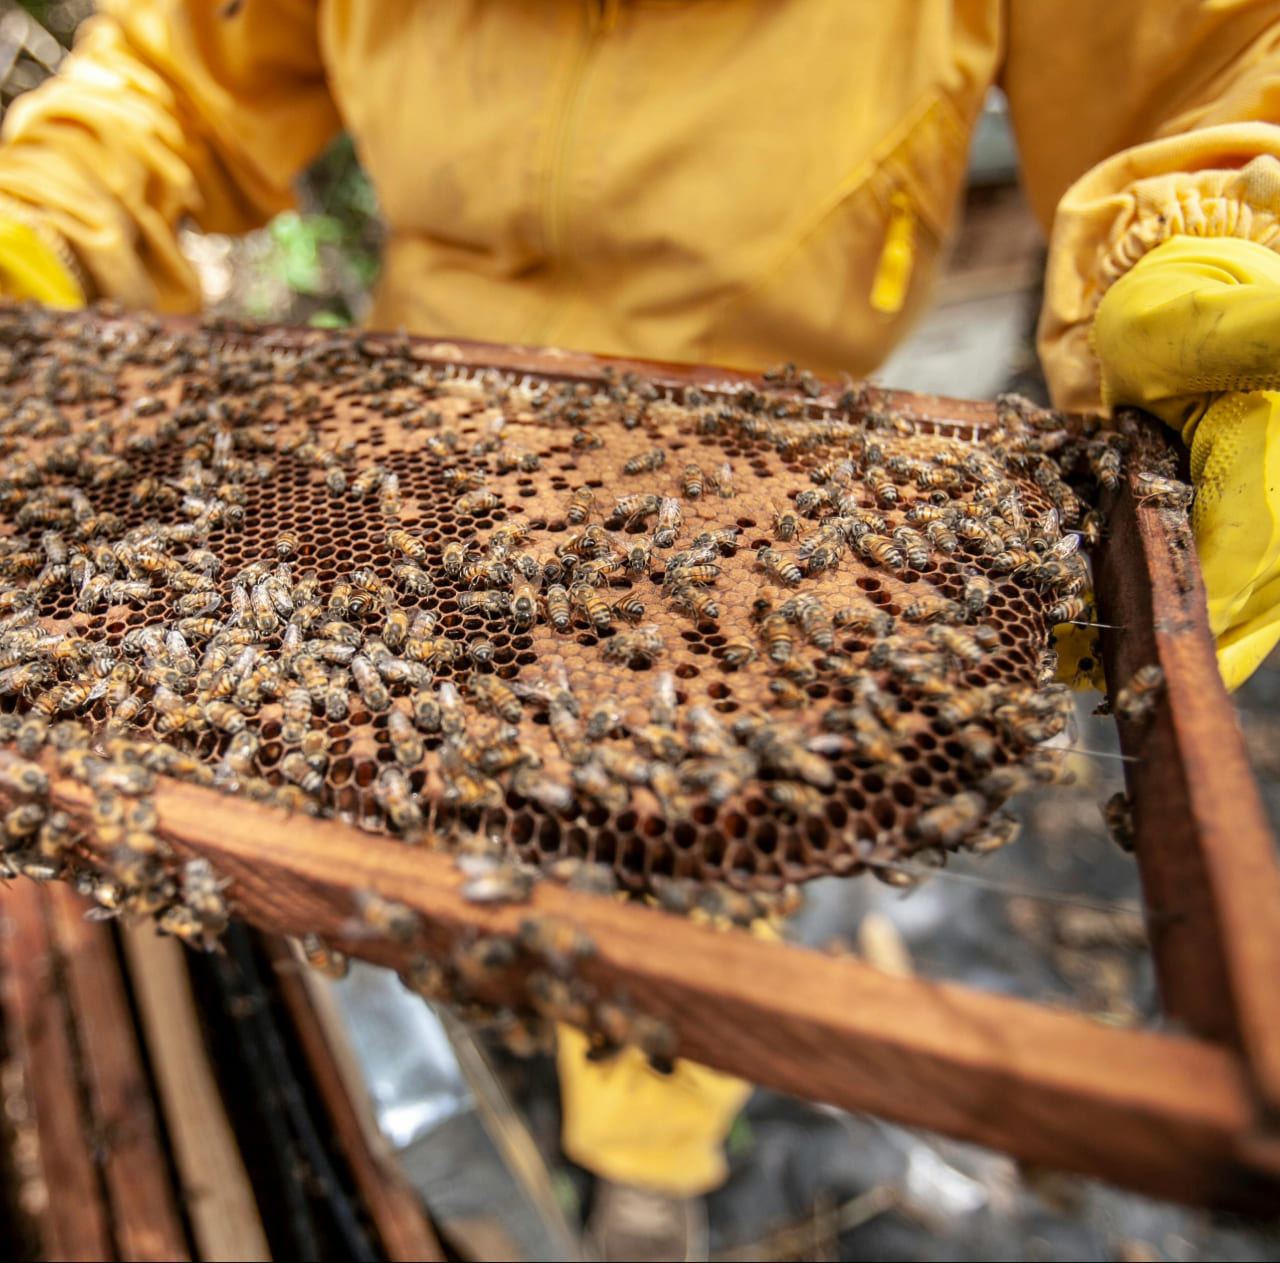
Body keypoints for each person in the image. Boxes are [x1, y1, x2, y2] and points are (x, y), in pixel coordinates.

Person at [2, 3, 1280, 1257]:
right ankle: (468, 969)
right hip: (417, 447)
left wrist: (1226, 235)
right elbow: (179, 68)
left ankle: (646, 1162)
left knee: (700, 853)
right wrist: (46, 215)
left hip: (758, 490)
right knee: (385, 780)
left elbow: (1205, 61)